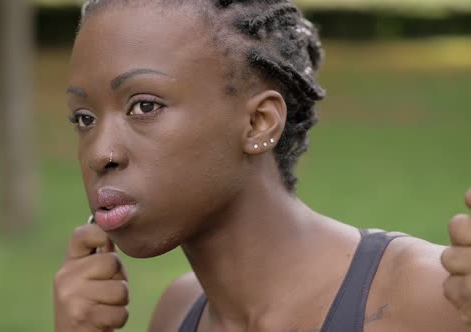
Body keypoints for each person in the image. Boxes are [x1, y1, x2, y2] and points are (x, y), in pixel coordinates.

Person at [53, 0, 471, 331]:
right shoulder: (177, 314)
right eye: (84, 119)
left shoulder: (426, 297)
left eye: (144, 106)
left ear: (258, 123)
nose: (99, 153)